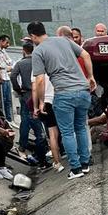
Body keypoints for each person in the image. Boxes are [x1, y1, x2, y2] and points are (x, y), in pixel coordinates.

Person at [28, 22, 96, 179]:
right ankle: (85, 164)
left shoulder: (38, 52)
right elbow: (85, 55)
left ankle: (76, 168)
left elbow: (39, 81)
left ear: (32, 36)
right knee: (80, 127)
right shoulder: (64, 40)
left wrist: (40, 102)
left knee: (67, 132)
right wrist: (90, 77)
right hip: (83, 91)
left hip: (64, 94)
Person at [10, 42, 49, 167]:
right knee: (40, 119)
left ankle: (23, 144)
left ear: (23, 50)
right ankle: (43, 145)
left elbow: (13, 76)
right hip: (40, 94)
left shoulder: (20, 63)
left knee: (26, 120)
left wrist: (17, 89)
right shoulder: (38, 62)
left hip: (26, 94)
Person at [0, 35, 14, 121]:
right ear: (1, 41)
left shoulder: (3, 50)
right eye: (6, 42)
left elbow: (10, 62)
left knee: (8, 100)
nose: (8, 44)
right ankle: (5, 120)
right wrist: (7, 66)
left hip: (7, 77)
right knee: (3, 101)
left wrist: (7, 66)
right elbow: (1, 65)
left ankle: (9, 119)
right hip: (1, 79)